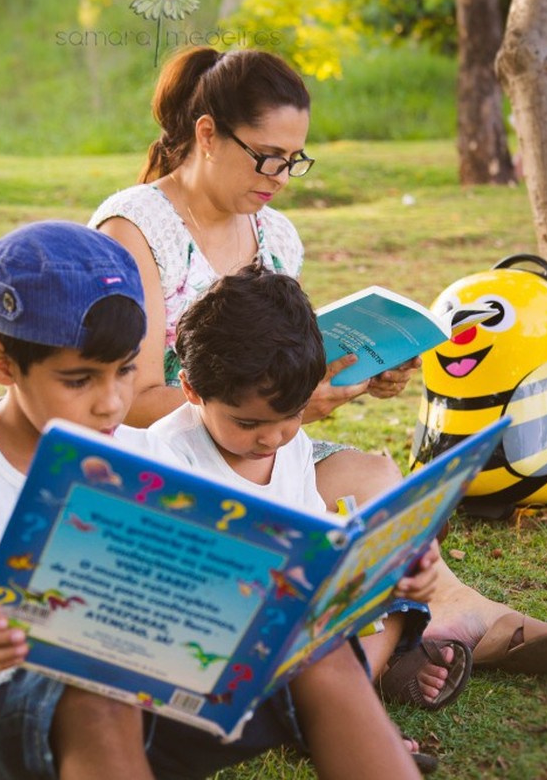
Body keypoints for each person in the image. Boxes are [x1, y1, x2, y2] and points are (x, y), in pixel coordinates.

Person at [88, 45, 547, 686]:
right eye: (267, 156)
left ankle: (440, 615)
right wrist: (292, 405)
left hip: (253, 442)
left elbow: (274, 367)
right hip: (164, 454)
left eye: (293, 160)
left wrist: (350, 375)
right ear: (208, 134)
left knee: (378, 481)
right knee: (322, 518)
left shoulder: (274, 236)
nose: (279, 176)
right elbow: (128, 398)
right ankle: (404, 636)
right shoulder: (136, 229)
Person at [0, 221, 421, 779]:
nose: (112, 403)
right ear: (2, 364)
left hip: (154, 689)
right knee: (94, 685)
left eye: (127, 370)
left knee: (318, 649)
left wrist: (360, 578)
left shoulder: (146, 454)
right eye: (80, 379)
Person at [150, 265, 466, 768]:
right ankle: (342, 715)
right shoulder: (167, 458)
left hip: (295, 628)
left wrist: (377, 560)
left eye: (293, 415)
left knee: (395, 594)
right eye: (248, 423)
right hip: (215, 641)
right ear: (190, 390)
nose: (273, 438)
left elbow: (312, 529)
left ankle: (342, 703)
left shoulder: (290, 447)